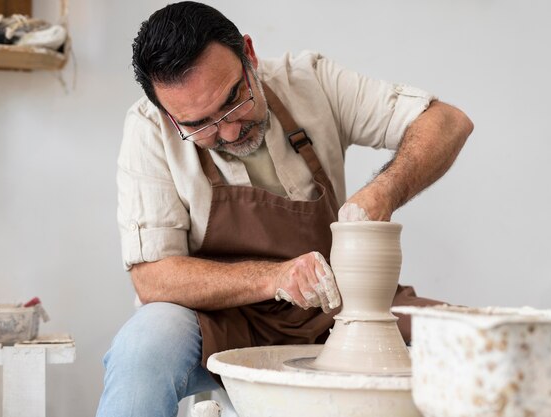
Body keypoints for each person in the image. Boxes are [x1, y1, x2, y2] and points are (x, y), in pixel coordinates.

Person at [96, 2, 473, 416]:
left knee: (479, 340)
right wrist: (275, 277)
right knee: (145, 341)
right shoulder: (149, 129)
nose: (229, 130)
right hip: (224, 323)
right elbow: (154, 278)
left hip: (338, 309)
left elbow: (448, 122)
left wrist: (383, 192)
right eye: (200, 125)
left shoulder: (308, 80)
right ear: (171, 115)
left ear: (249, 55)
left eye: (233, 100)